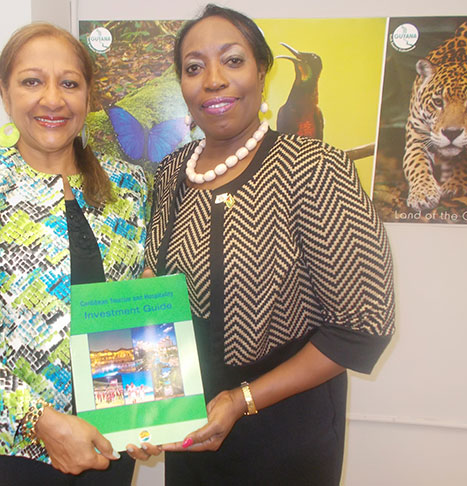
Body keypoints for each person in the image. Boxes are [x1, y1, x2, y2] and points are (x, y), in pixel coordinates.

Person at [129, 5, 395, 485]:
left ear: (262, 71)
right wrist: (140, 401)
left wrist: (241, 400)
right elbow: (157, 287)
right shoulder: (170, 173)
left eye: (232, 61)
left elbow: (361, 326)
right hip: (192, 424)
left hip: (285, 432)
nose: (212, 80)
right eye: (194, 67)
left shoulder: (314, 168)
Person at [0, 22, 148, 485]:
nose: (53, 99)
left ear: (88, 95)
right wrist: (40, 421)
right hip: (7, 447)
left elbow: (136, 314)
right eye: (32, 81)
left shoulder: (128, 187)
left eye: (70, 83)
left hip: (109, 439)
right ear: (5, 93)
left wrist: (151, 408)